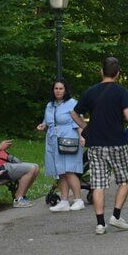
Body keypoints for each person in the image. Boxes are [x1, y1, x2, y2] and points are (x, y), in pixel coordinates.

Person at [71, 57, 128, 234]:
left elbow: (75, 113)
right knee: (125, 178)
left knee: (98, 183)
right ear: (118, 74)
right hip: (117, 143)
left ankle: (100, 224)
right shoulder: (121, 92)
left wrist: (87, 128)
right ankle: (115, 216)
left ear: (101, 72)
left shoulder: (91, 92)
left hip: (96, 144)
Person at [36, 79, 84, 212]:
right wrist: (43, 125)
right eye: (56, 88)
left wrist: (82, 136)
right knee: (60, 172)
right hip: (53, 140)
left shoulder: (72, 103)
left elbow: (79, 120)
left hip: (69, 138)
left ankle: (78, 199)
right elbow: (48, 120)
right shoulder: (50, 105)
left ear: (65, 90)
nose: (58, 91)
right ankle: (64, 201)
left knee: (69, 170)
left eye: (61, 88)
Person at [0, 115, 39, 208]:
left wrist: (3, 149)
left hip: (6, 164)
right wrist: (0, 147)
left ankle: (22, 196)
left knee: (36, 167)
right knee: (31, 169)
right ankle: (18, 199)